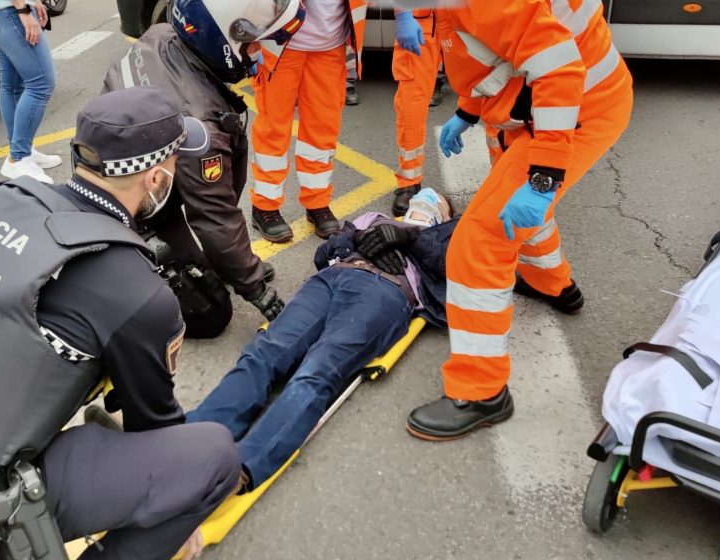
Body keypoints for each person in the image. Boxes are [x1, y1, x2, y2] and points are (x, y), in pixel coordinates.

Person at [0, 87, 241, 560]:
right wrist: (174, 504)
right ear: (155, 178)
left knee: (92, 424)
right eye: (174, 162)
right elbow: (154, 425)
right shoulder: (138, 291)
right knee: (214, 458)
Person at [404, 0, 634, 442]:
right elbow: (502, 50)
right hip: (561, 105)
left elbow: (558, 68)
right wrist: (469, 110)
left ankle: (481, 392)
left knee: (481, 238)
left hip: (575, 110)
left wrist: (544, 177)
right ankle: (554, 285)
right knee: (515, 215)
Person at [188, 189, 457, 490]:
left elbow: (451, 266)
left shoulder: (447, 234)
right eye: (423, 195)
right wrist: (356, 240)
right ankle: (195, 437)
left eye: (438, 202)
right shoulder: (374, 218)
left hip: (386, 291)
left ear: (446, 216)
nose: (427, 199)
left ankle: (243, 467)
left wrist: (412, 238)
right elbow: (326, 252)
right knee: (265, 352)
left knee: (318, 368)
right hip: (331, 280)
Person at [102, 0, 306, 335]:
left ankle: (226, 262)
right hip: (131, 212)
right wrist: (257, 291)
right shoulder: (199, 126)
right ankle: (125, 274)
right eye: (253, 43)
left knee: (229, 137)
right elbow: (214, 215)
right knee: (212, 313)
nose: (258, 50)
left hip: (130, 175)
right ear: (221, 38)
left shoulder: (163, 34)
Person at [248, 0, 367, 243]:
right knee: (273, 128)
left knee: (322, 131)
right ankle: (264, 206)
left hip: (331, 44)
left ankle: (318, 202)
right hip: (280, 42)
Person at [0, 0, 61, 183]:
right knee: (41, 83)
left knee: (12, 84)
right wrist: (24, 9)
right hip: (8, 10)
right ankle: (18, 157)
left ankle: (21, 150)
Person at [390, 7, 445, 217]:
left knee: (495, 96)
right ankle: (409, 182)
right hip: (424, 19)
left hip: (475, 19)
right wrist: (403, 14)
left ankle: (504, 177)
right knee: (411, 105)